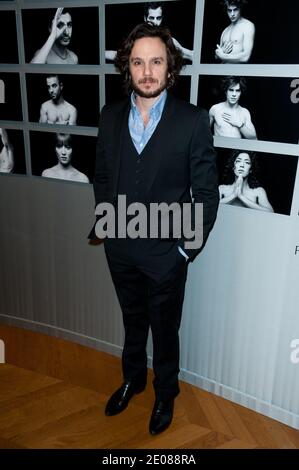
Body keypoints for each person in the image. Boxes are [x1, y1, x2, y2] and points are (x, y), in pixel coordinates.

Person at [90, 23, 219, 435]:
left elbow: (206, 194)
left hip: (167, 256)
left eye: (156, 61)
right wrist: (108, 228)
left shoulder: (193, 120)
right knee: (132, 321)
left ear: (170, 68)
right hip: (121, 251)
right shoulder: (109, 117)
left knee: (165, 330)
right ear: (127, 68)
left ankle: (166, 392)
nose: (147, 71)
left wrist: (184, 251)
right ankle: (133, 378)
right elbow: (103, 178)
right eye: (138, 62)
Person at [105, 2, 193, 62]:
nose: (155, 22)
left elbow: (190, 55)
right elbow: (119, 55)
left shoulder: (169, 41)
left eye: (158, 18)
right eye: (151, 18)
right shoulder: (136, 39)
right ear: (145, 18)